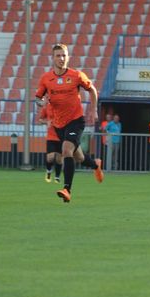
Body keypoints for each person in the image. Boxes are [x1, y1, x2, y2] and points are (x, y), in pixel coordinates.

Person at [35, 43, 104, 203]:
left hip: (76, 120)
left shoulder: (76, 75)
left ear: (68, 57)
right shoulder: (46, 78)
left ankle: (67, 190)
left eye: (64, 55)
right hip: (58, 124)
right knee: (78, 157)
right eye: (58, 55)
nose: (61, 58)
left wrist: (94, 110)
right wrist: (41, 102)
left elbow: (92, 90)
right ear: (53, 58)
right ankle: (95, 165)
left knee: (66, 150)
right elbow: (38, 99)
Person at [38, 102, 62, 183]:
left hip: (61, 137)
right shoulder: (46, 107)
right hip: (51, 137)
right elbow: (40, 120)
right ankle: (48, 171)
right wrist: (46, 122)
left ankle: (57, 176)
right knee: (50, 157)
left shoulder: (63, 107)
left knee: (59, 159)